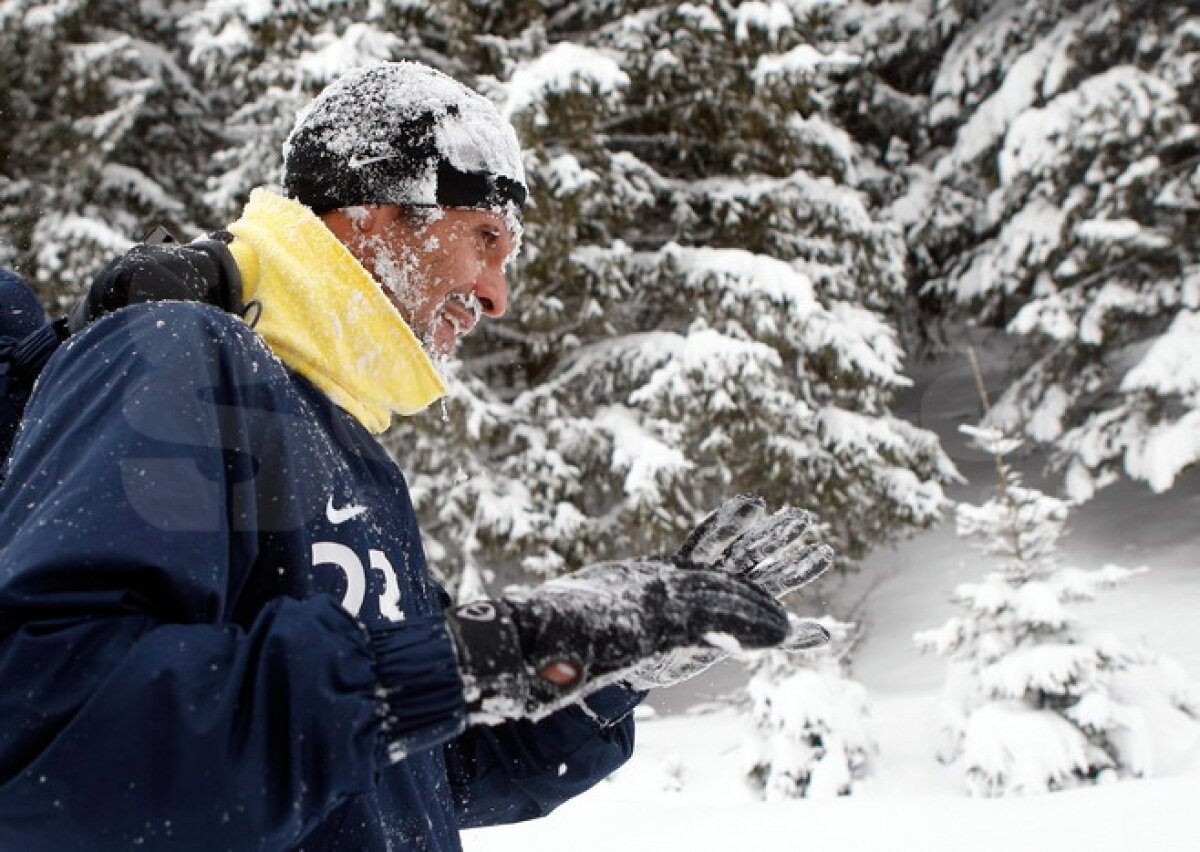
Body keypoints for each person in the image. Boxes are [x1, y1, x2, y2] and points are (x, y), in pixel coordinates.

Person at [0, 62, 832, 851]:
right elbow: (59, 739)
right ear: (370, 213)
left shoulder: (349, 456)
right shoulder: (184, 354)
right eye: (484, 238)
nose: (499, 294)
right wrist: (493, 650)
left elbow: (425, 763)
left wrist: (614, 662)